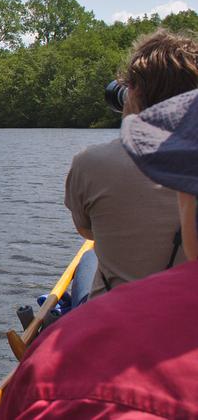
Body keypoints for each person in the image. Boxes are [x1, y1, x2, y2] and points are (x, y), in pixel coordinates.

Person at [0, 88, 198, 418]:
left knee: (88, 257)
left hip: (103, 318)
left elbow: (87, 233)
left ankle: (58, 316)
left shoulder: (60, 362)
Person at [65, 29, 198, 304]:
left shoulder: (90, 162)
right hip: (186, 313)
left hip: (115, 315)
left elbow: (87, 232)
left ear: (133, 94)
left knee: (89, 257)